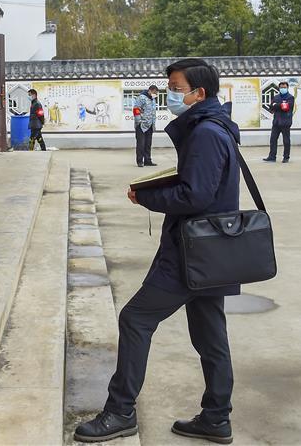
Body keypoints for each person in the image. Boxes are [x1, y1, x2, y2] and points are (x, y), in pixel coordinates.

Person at [75, 59, 240, 444]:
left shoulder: (205, 134)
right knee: (210, 335)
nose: (170, 93)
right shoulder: (216, 128)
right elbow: (203, 184)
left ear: (199, 94)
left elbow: (195, 194)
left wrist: (149, 196)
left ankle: (120, 411)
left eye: (176, 87)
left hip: (192, 251)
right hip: (214, 251)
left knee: (135, 319)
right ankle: (216, 417)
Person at [264, 81, 295, 163]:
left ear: (287, 88)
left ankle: (286, 157)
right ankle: (272, 156)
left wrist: (276, 105)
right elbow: (271, 107)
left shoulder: (290, 97)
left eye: (284, 87)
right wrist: (279, 105)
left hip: (285, 122)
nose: (283, 89)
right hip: (276, 122)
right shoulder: (276, 97)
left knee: (286, 141)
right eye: (281, 87)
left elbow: (287, 107)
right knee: (273, 139)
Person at [133, 85, 159, 167]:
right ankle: (140, 161)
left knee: (148, 144)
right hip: (141, 125)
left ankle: (148, 160)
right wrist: (139, 121)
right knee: (141, 144)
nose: (155, 94)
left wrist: (154, 124)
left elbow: (153, 112)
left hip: (150, 125)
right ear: (150, 91)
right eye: (154, 92)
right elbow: (136, 109)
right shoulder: (141, 98)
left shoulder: (153, 100)